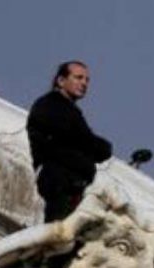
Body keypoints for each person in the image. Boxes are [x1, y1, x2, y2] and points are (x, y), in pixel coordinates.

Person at [27, 61, 112, 222]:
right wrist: (101, 147)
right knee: (62, 235)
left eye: (87, 80)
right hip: (60, 180)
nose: (84, 83)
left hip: (74, 183)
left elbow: (83, 140)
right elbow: (81, 138)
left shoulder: (69, 109)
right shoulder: (51, 105)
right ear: (61, 81)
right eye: (78, 77)